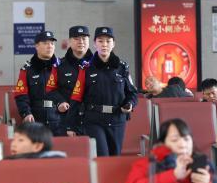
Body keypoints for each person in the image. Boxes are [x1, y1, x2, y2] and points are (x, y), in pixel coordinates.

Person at [69, 27, 138, 156]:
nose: (104, 44)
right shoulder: (86, 68)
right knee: (103, 156)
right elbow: (76, 97)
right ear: (95, 44)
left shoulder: (122, 67)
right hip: (94, 120)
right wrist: (71, 125)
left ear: (113, 44)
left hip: (117, 119)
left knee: (115, 156)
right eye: (100, 41)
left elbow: (132, 93)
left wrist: (130, 104)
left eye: (108, 41)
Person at [14, 30, 67, 136]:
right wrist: (26, 113)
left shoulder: (62, 66)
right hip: (36, 119)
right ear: (37, 46)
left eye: (52, 43)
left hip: (60, 118)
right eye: (45, 43)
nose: (50, 46)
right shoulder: (27, 69)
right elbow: (21, 95)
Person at [58, 26, 94, 135]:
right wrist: (59, 102)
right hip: (67, 120)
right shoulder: (59, 66)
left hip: (94, 121)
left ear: (89, 41)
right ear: (69, 41)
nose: (81, 42)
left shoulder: (98, 65)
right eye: (76, 38)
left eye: (84, 38)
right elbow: (51, 90)